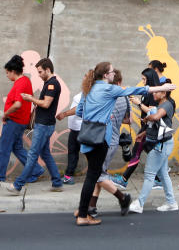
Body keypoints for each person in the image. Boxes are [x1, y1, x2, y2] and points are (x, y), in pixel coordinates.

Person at [73, 62, 173, 226]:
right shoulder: (109, 89)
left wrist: (94, 114)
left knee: (92, 176)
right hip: (100, 138)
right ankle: (83, 215)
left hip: (86, 136)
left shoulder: (88, 89)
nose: (114, 74)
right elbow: (136, 90)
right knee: (92, 177)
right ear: (106, 75)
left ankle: (85, 211)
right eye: (111, 71)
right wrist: (164, 87)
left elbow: (79, 112)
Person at [0, 54, 44, 186]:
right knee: (18, 149)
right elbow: (29, 99)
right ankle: (36, 170)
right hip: (21, 121)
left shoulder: (20, 83)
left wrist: (5, 114)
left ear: (12, 71)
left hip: (14, 121)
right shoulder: (26, 81)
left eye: (7, 73)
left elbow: (17, 104)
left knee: (3, 149)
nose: (6, 76)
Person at [9, 58, 64, 193]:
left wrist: (30, 98)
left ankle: (18, 185)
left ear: (47, 70)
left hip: (44, 125)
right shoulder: (48, 83)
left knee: (32, 154)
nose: (39, 75)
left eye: (40, 72)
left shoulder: (52, 84)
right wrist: (34, 100)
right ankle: (57, 182)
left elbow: (46, 104)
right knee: (45, 154)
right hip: (44, 124)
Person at [128, 86, 178, 213]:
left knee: (150, 174)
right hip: (162, 144)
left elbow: (156, 118)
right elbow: (156, 125)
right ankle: (171, 202)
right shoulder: (159, 105)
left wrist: (146, 118)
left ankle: (140, 203)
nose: (154, 94)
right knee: (163, 174)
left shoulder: (166, 105)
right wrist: (143, 134)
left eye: (157, 92)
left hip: (161, 145)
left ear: (164, 93)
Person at [88, 70, 131, 211]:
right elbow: (127, 120)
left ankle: (123, 198)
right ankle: (92, 206)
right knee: (100, 172)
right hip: (113, 140)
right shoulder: (124, 98)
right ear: (119, 83)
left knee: (98, 174)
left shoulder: (106, 97)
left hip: (103, 140)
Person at [120, 68, 161, 187]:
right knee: (150, 151)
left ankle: (124, 179)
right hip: (145, 126)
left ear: (150, 79)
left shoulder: (154, 94)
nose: (142, 81)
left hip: (149, 127)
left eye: (144, 79)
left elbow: (152, 111)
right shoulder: (146, 92)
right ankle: (159, 179)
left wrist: (138, 103)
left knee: (136, 152)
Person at [57, 91, 83, 184]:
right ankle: (69, 176)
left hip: (82, 129)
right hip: (75, 129)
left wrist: (64, 114)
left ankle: (100, 176)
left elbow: (79, 108)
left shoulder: (90, 93)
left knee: (90, 154)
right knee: (72, 153)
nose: (84, 79)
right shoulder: (83, 92)